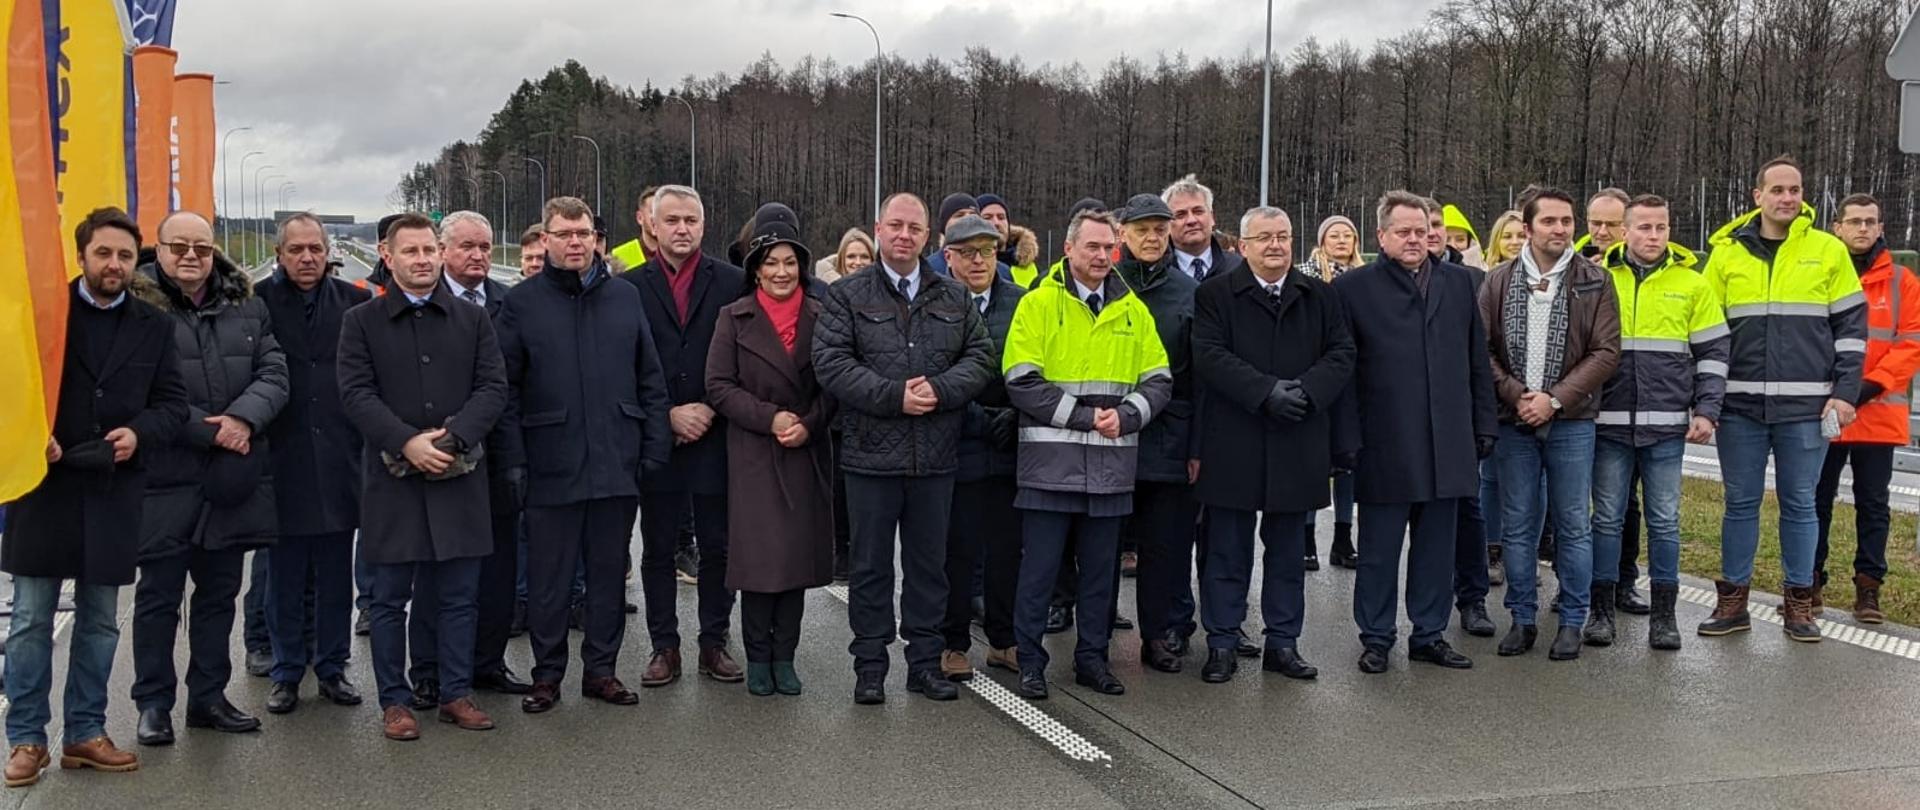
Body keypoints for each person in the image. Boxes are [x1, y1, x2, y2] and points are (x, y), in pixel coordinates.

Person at [3, 208, 186, 786]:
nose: (114, 265)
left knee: (101, 621)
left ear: (137, 263)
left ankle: (85, 732)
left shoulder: (154, 326)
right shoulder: (44, 316)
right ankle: (27, 738)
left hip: (113, 488)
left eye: (125, 256)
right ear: (81, 255)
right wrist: (36, 436)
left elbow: (173, 406)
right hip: (45, 488)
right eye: (103, 253)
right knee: (31, 619)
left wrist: (139, 433)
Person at [813, 192, 995, 705]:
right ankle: (870, 667)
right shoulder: (847, 295)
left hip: (935, 458)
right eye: (895, 226)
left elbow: (980, 358)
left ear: (929, 239)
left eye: (914, 228)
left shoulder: (953, 297)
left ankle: (923, 663)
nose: (903, 236)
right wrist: (895, 397)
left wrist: (939, 391)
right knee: (870, 568)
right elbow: (831, 363)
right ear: (878, 228)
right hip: (870, 457)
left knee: (928, 567)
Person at [497, 197, 674, 712]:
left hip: (617, 460)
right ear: (546, 240)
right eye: (564, 234)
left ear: (596, 238)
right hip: (550, 461)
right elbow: (505, 390)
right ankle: (547, 675)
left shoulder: (624, 297)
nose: (575, 242)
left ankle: (601, 670)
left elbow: (650, 378)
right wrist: (513, 461)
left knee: (606, 577)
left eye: (583, 233)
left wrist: (654, 446)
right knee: (550, 582)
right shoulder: (522, 303)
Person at [338, 213, 506, 740]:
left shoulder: (472, 320)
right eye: (409, 252)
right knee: (388, 599)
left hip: (459, 475)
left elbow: (492, 388)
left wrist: (452, 439)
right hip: (393, 480)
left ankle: (455, 692)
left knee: (459, 594)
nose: (422, 260)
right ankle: (396, 701)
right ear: (388, 257)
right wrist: (407, 442)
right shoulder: (361, 322)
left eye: (429, 250)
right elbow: (356, 393)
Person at [128, 211, 288, 743]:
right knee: (158, 599)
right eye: (179, 246)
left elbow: (274, 371)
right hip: (163, 475)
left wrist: (243, 419)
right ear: (160, 249)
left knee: (219, 595)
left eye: (201, 246)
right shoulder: (136, 309)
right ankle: (153, 704)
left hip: (231, 475)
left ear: (214, 248)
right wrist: (207, 430)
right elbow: (140, 389)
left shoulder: (247, 304)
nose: (191, 256)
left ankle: (208, 698)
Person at [1003, 209, 1172, 699]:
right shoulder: (1037, 305)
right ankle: (1030, 662)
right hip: (1048, 469)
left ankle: (1092, 661)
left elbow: (1159, 378)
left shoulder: (1132, 309)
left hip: (1110, 469)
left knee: (1101, 579)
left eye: (1107, 248)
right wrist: (1083, 416)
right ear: (1069, 249)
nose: (1101, 256)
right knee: (1038, 575)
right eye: (1092, 247)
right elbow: (1020, 379)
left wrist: (1128, 416)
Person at [1699, 156, 1866, 643]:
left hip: (1806, 411)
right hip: (1740, 408)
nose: (1787, 198)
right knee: (1740, 505)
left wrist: (1845, 394)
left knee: (1800, 505)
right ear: (1758, 196)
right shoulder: (1727, 255)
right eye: (1777, 190)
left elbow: (1852, 332)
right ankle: (1732, 604)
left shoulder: (1827, 250)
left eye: (1795, 189)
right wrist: (1706, 400)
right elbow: (1708, 334)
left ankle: (1799, 605)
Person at [1331, 190, 1496, 674]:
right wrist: (1345, 440)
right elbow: (1344, 373)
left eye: (1421, 231)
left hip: (1448, 441)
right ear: (1380, 236)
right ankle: (1377, 637)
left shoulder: (1461, 284)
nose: (1413, 239)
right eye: (1402, 232)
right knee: (1379, 550)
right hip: (1384, 441)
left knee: (1436, 549)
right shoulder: (1353, 289)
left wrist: (1484, 425)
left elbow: (1476, 364)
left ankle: (1428, 633)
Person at [1192, 205, 1354, 684]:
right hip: (1233, 436)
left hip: (1298, 435)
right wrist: (1264, 392)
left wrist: (1305, 391)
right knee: (1226, 549)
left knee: (1286, 552)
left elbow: (1342, 352)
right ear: (1243, 246)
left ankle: (1282, 642)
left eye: (1283, 236)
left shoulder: (1319, 296)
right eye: (1264, 238)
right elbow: (1208, 353)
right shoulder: (1215, 295)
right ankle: (1221, 641)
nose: (1275, 245)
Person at [1480, 187, 1621, 660]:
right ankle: (1522, 618)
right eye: (1550, 222)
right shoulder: (1498, 280)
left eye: (1566, 222)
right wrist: (1519, 395)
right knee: (1518, 526)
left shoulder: (1595, 281)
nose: (1560, 229)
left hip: (1572, 421)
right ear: (1528, 227)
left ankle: (1572, 622)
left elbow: (1605, 352)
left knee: (1573, 525)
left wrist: (1555, 400)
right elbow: (1482, 349)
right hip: (1512, 419)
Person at [619, 185, 748, 687]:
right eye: (670, 220)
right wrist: (667, 415)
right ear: (651, 224)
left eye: (690, 220)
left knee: (719, 546)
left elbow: (746, 360)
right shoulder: (628, 287)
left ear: (703, 224)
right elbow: (622, 366)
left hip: (717, 436)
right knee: (656, 549)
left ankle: (713, 642)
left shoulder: (733, 283)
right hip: (659, 438)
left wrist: (711, 407)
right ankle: (663, 645)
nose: (681, 229)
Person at [705, 219, 838, 696]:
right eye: (770, 264)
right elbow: (718, 385)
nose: (781, 272)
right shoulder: (733, 317)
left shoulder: (824, 316)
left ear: (801, 268)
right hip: (755, 454)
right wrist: (771, 419)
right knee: (761, 566)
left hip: (806, 451)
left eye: (789, 263)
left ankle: (786, 656)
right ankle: (758, 655)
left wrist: (809, 422)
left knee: (795, 566)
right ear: (756, 271)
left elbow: (835, 384)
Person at [1590, 194, 1727, 650]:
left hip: (1667, 428)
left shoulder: (1693, 284)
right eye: (1644, 227)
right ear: (1624, 231)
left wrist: (1707, 410)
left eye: (1661, 227)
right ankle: (1601, 611)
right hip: (1606, 424)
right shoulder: (1598, 278)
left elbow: (1713, 354)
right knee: (1607, 520)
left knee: (1666, 521)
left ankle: (1664, 618)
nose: (1653, 236)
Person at [256, 213, 370, 715]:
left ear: (328, 253)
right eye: (296, 250)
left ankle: (332, 667)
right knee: (283, 578)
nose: (306, 258)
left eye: (315, 250)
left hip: (340, 459)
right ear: (280, 254)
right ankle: (285, 672)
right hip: (281, 458)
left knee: (334, 577)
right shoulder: (257, 303)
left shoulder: (356, 303)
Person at [421, 212, 533, 697]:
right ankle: (429, 673)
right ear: (444, 250)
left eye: (485, 247)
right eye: (467, 246)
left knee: (499, 567)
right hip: (441, 454)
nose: (478, 256)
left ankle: (488, 661)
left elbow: (518, 386)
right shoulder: (425, 303)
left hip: (500, 456)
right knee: (438, 572)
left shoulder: (511, 303)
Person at [1814, 193, 1920, 623]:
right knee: (1814, 501)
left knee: (1873, 503)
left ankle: (1868, 589)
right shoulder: (1819, 274)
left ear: (1881, 228)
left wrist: (1864, 389)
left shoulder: (1902, 281)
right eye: (1854, 221)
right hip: (1825, 412)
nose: (1862, 228)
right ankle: (1809, 583)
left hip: (1875, 413)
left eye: (1870, 221)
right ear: (1837, 227)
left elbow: (1911, 342)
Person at [1108, 194, 1202, 674]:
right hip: (1106, 434)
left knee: (1165, 547)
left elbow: (1199, 376)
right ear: (1121, 233)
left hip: (1170, 437)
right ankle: (1096, 628)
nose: (1152, 237)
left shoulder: (1187, 293)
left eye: (1159, 230)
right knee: (1101, 543)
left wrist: (1197, 445)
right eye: (1142, 229)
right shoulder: (1103, 283)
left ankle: (1161, 634)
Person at [936, 215, 1028, 680]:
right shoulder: (937, 300)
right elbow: (935, 368)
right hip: (957, 441)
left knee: (1008, 549)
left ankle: (1004, 639)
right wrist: (975, 416)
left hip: (1011, 441)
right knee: (959, 549)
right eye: (968, 252)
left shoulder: (1022, 303)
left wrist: (1015, 413)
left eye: (988, 251)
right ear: (948, 255)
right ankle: (952, 643)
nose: (979, 261)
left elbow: (1036, 363)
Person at [1575, 187, 1650, 615]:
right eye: (1595, 223)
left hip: (1624, 402)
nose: (1602, 232)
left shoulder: (1634, 268)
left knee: (1624, 503)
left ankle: (1623, 580)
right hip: (1577, 403)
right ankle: (1578, 582)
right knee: (1572, 503)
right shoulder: (1572, 265)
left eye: (1610, 224)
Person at [1296, 214, 1363, 569]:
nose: (1341, 240)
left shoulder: (1364, 278)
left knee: (1348, 462)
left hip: (1353, 382)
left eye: (1348, 235)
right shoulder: (1305, 276)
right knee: (1315, 462)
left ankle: (1343, 537)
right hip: (1318, 376)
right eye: (1334, 235)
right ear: (1322, 241)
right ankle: (1307, 540)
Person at [1478, 208, 1527, 587]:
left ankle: (1520, 552)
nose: (1514, 242)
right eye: (1507, 236)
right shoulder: (1485, 282)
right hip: (1495, 395)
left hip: (1537, 399)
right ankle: (1490, 550)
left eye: (1519, 235)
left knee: (1535, 484)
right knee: (1491, 478)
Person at [1164, 175, 1245, 284]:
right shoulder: (1156, 273)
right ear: (1167, 224)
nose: (1191, 221)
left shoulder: (1239, 269)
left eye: (1198, 211)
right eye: (1180, 215)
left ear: (1212, 217)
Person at [976, 193, 1043, 288]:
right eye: (987, 218)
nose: (996, 223)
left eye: (1001, 217)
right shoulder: (964, 266)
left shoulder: (1029, 267)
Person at [607, 186, 655, 271]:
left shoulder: (680, 256)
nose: (657, 217)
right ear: (640, 218)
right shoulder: (619, 257)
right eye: (653, 212)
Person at [1443, 204, 1487, 269]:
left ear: (1469, 241)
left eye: (1460, 240)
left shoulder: (1486, 272)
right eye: (1446, 239)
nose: (1453, 246)